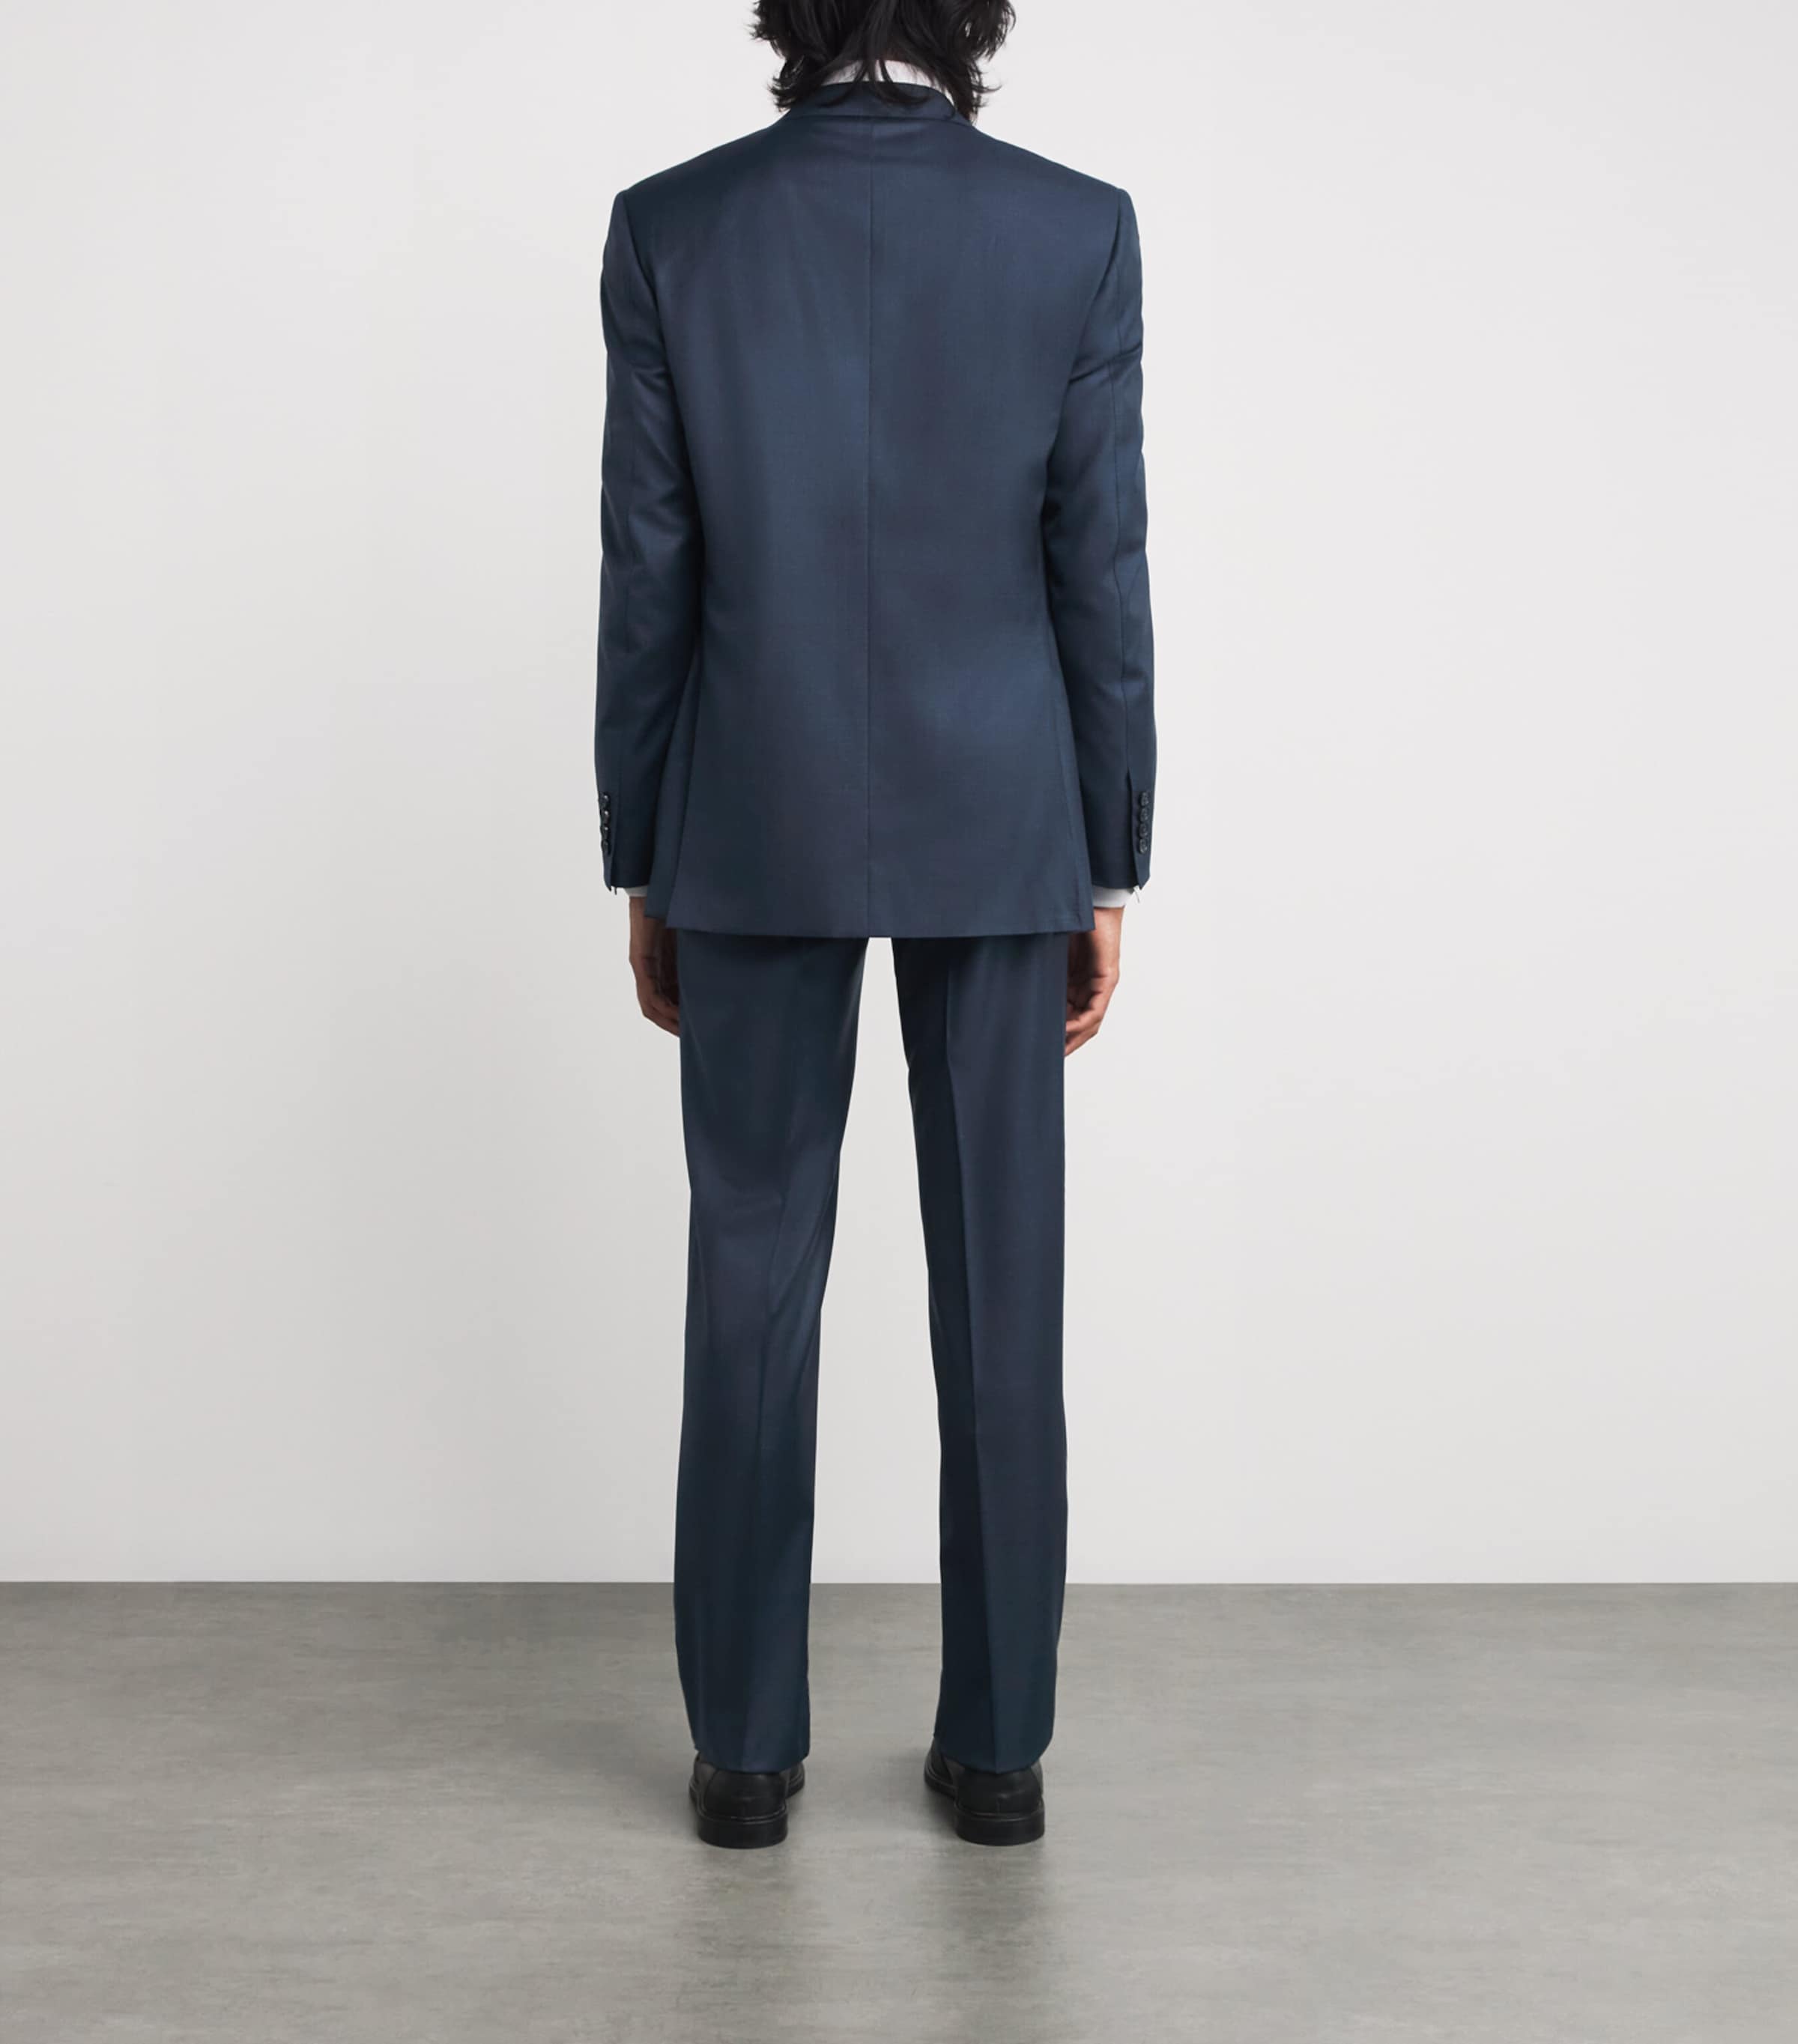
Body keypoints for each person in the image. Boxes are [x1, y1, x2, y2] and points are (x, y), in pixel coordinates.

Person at [595, 0, 1154, 1849]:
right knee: (1005, 1288)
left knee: (750, 1278)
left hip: (751, 815)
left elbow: (650, 568)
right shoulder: (1074, 229)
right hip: (1001, 820)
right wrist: (1107, 862)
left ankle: (747, 1759)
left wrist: (645, 849)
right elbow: (1098, 565)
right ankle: (998, 1758)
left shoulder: (676, 226)